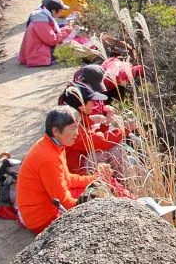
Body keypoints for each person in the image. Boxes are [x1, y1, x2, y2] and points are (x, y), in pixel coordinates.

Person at [15, 106, 111, 234]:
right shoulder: (48, 157)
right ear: (55, 131)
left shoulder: (54, 145)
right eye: (72, 128)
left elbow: (67, 179)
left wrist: (94, 178)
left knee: (99, 187)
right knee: (100, 199)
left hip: (44, 207)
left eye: (77, 127)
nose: (76, 133)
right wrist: (93, 206)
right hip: (41, 219)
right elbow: (63, 201)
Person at [60, 82, 136, 175]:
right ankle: (124, 179)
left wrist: (105, 124)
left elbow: (94, 140)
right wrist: (126, 129)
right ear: (81, 106)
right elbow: (102, 142)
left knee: (115, 147)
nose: (93, 104)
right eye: (91, 101)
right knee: (115, 148)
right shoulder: (72, 126)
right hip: (77, 169)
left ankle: (123, 178)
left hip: (83, 159)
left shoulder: (77, 118)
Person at [18, 0, 75, 67]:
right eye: (60, 11)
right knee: (72, 48)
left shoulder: (41, 16)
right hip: (38, 54)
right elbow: (52, 40)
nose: (61, 13)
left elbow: (51, 34)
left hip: (37, 49)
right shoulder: (41, 21)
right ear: (53, 11)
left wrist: (65, 29)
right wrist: (67, 31)